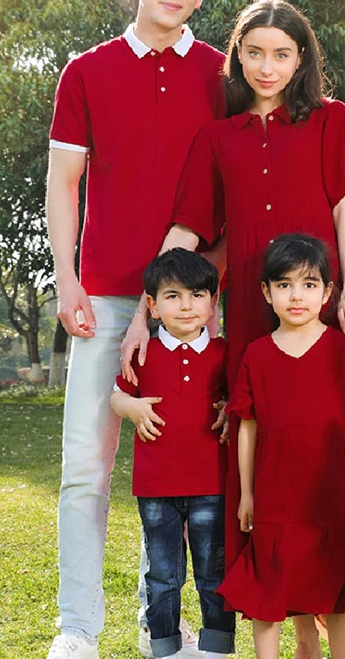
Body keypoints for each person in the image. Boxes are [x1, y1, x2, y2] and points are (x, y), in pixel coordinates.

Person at [120, 0, 345, 659]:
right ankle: (296, 624)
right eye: (254, 52)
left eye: (281, 53)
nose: (267, 66)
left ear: (301, 58)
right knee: (271, 460)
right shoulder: (217, 139)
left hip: (326, 302)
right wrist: (142, 315)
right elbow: (187, 232)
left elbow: (344, 215)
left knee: (340, 449)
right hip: (256, 315)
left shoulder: (332, 119)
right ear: (238, 57)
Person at [45, 0, 225, 659]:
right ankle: (77, 628)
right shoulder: (86, 71)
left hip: (190, 307)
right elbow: (64, 182)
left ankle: (170, 624)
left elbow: (223, 191)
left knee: (188, 471)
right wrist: (67, 279)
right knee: (85, 470)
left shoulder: (221, 75)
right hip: (104, 297)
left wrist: (178, 298)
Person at [216, 234, 345, 658]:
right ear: (266, 292)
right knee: (269, 587)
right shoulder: (256, 355)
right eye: (284, 285)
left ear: (327, 293)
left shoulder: (342, 350)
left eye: (309, 285)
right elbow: (247, 426)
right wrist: (247, 494)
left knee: (338, 588)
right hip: (276, 499)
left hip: (332, 494)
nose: (296, 296)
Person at [111, 249, 235, 659]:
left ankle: (217, 649)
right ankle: (165, 647)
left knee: (213, 573)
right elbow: (117, 397)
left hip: (211, 485)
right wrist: (131, 407)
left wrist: (228, 409)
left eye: (197, 295)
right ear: (152, 305)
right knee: (163, 576)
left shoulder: (224, 354)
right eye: (173, 296)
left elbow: (238, 401)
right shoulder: (143, 352)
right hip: (156, 487)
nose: (186, 306)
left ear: (212, 303)